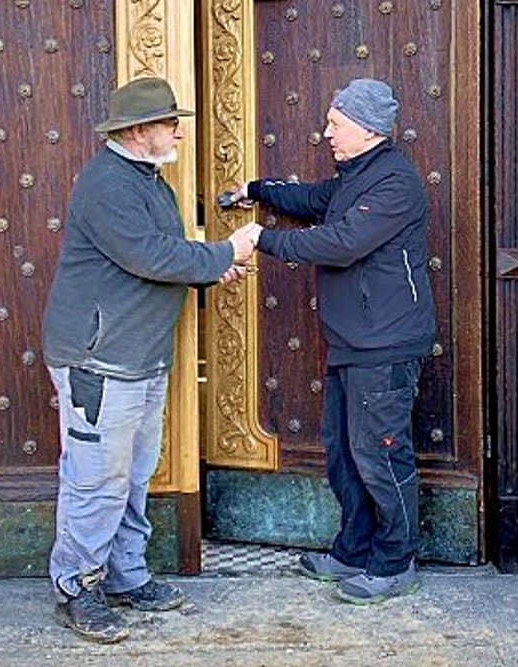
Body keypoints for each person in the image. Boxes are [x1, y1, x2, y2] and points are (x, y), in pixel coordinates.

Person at [42, 76, 256, 644]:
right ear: (138, 132)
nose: (177, 129)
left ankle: (124, 576)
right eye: (169, 121)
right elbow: (148, 255)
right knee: (96, 480)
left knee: (132, 476)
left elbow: (162, 258)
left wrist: (211, 267)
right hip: (100, 362)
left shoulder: (146, 178)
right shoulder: (108, 184)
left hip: (136, 358)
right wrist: (225, 252)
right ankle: (75, 589)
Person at [225, 78, 436, 605]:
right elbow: (312, 199)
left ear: (367, 130)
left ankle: (395, 560)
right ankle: (353, 549)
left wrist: (261, 239)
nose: (326, 134)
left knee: (381, 455)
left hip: (385, 344)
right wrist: (256, 190)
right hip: (352, 341)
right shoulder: (355, 178)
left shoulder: (395, 182)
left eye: (335, 125)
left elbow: (344, 242)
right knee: (345, 455)